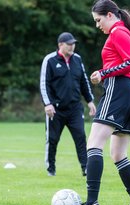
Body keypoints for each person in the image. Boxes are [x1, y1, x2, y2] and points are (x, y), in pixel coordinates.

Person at [70, 0, 130, 205]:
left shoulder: (118, 33)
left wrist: (103, 73)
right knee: (118, 153)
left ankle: (91, 203)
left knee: (94, 143)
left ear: (110, 15)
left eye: (98, 20)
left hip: (120, 89)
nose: (98, 25)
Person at [40, 32, 96, 177]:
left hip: (75, 108)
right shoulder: (50, 60)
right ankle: (50, 169)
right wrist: (48, 104)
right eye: (69, 44)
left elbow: (84, 81)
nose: (72, 46)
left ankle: (86, 168)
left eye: (73, 43)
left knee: (81, 138)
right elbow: (44, 84)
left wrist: (90, 101)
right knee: (52, 140)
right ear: (60, 45)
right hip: (55, 110)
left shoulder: (77, 59)